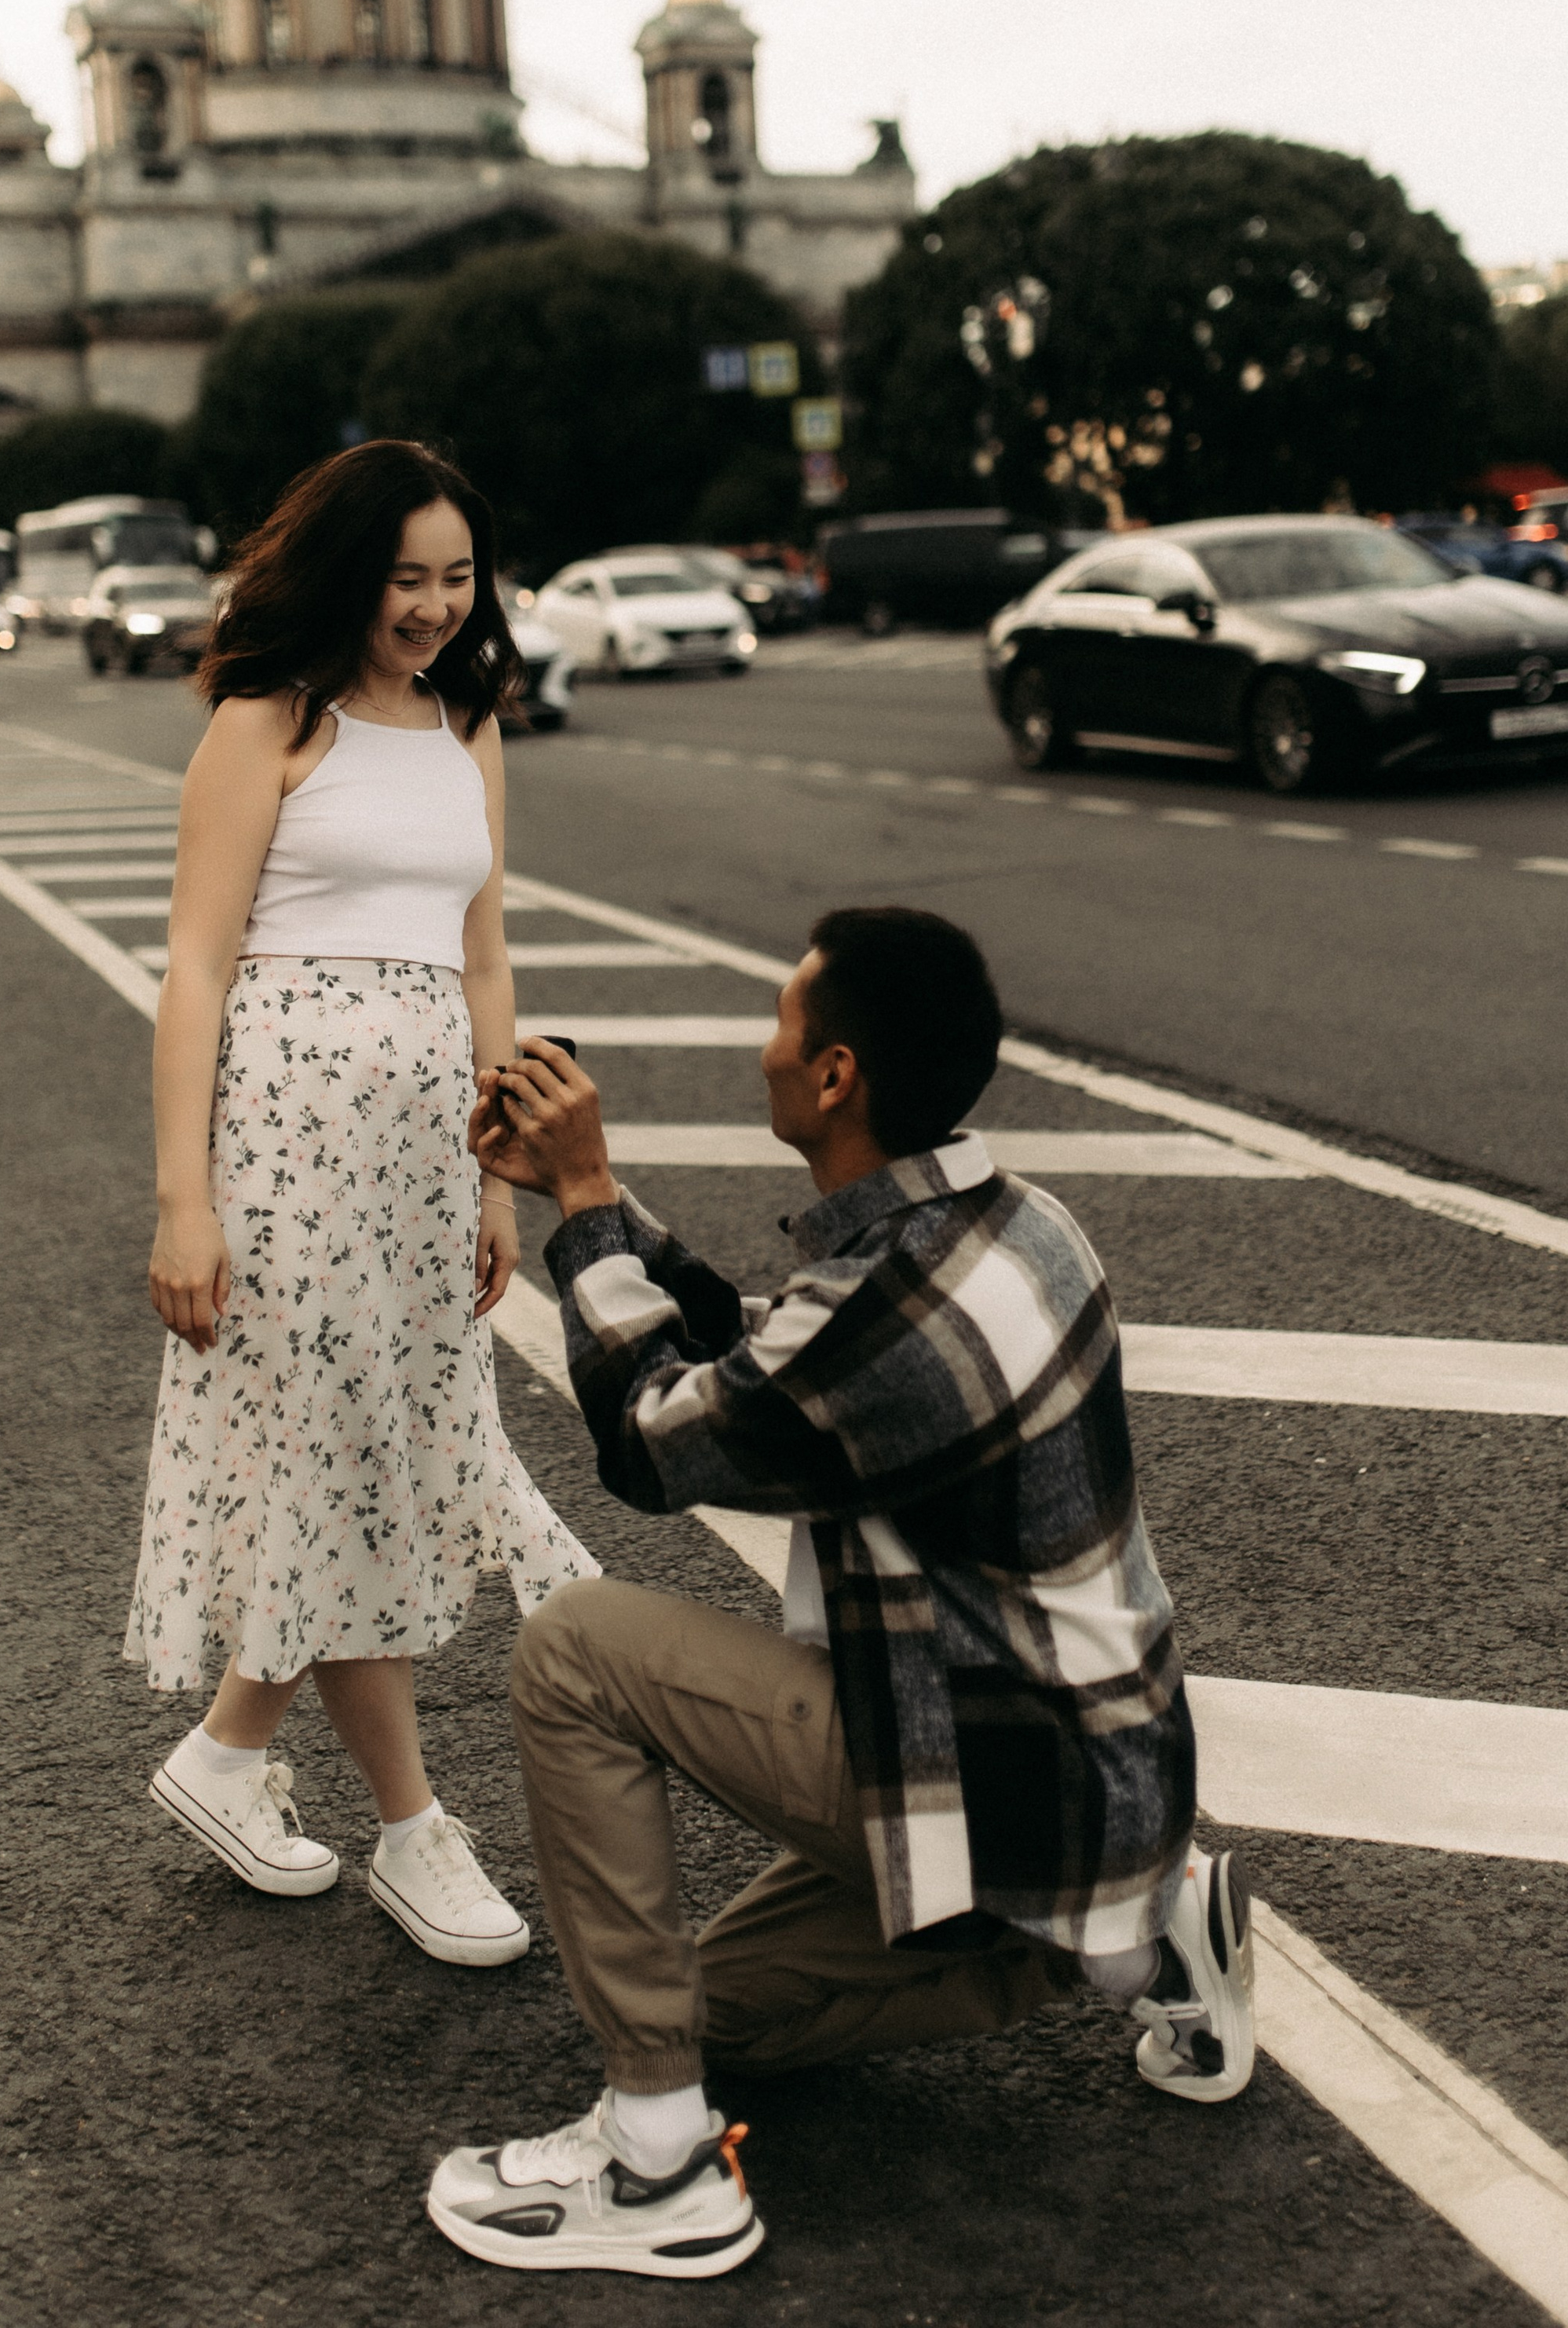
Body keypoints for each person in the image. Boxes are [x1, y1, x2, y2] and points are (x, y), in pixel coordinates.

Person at [425, 906, 1253, 2279]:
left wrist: (584, 1201)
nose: (763, 1048)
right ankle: (1140, 1938)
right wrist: (599, 1207)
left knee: (574, 1648)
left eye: (782, 1022)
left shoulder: (896, 1305)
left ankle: (659, 2166)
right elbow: (775, 1366)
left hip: (1003, 1780)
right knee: (715, 2018)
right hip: (1098, 1782)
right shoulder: (1014, 1228)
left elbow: (655, 1442)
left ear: (834, 1076)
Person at [122, 440, 597, 1964]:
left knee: (361, 1450)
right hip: (285, 1148)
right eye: (406, 580)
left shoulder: (468, 723)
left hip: (418, 1158)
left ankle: (228, 1755)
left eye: (457, 580)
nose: (434, 608)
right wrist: (183, 1201)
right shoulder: (268, 718)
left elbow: (483, 956)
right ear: (345, 573)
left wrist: (497, 1172)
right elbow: (196, 969)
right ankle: (412, 1830)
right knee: (345, 1458)